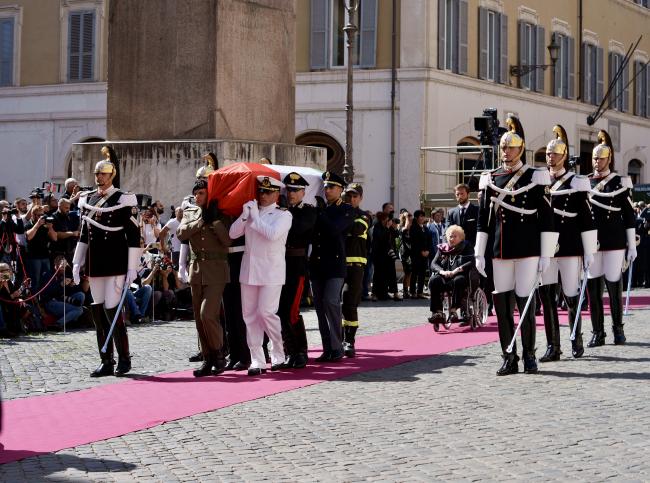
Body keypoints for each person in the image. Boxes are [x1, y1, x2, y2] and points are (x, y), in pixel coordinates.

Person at [475, 116, 557, 376]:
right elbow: (483, 221)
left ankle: (529, 355)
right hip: (501, 251)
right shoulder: (491, 178)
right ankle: (509, 356)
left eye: (510, 147)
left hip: (528, 250)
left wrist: (546, 253)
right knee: (502, 306)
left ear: (520, 149)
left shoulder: (535, 177)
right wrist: (479, 252)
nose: (505, 151)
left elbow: (547, 219)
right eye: (503, 146)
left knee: (526, 303)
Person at [72, 146, 141, 377]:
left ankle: (124, 358)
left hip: (115, 262)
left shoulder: (123, 198)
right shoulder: (88, 199)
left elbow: (133, 236)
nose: (98, 177)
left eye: (103, 174)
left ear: (112, 175)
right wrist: (75, 262)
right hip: (95, 262)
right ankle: (106, 360)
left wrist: (133, 267)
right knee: (98, 311)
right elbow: (83, 234)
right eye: (96, 174)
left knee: (113, 309)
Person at [537, 125, 597, 361]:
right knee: (547, 295)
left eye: (555, 154)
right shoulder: (539, 180)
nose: (551, 158)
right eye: (549, 154)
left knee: (571, 294)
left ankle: (576, 338)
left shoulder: (576, 182)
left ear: (564, 157)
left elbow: (586, 217)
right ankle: (553, 346)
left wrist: (589, 249)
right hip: (546, 247)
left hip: (570, 245)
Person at [229, 176, 293, 376]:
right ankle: (257, 359)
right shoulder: (251, 212)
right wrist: (244, 216)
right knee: (250, 316)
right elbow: (232, 234)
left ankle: (279, 353)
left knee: (267, 312)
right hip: (249, 271)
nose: (263, 195)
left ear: (276, 194)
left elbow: (272, 234)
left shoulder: (284, 215)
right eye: (260, 192)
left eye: (267, 192)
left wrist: (255, 217)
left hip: (271, 271)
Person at [177, 178, 232, 377]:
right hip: (197, 270)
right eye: (196, 194)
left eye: (202, 193)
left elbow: (227, 241)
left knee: (207, 314)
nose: (197, 197)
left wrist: (214, 221)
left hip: (217, 270)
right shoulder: (190, 212)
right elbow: (181, 233)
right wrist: (201, 222)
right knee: (199, 320)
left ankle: (219, 355)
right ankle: (208, 359)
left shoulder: (222, 213)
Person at [586, 130, 636, 346]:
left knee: (614, 285)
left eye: (601, 158)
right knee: (593, 288)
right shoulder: (585, 182)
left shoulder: (619, 182)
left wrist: (631, 244)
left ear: (609, 159)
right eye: (595, 158)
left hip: (614, 240)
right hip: (593, 241)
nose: (597, 162)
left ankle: (618, 329)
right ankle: (598, 331)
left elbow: (629, 216)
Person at [309, 171, 354, 362]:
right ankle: (327, 348)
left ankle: (337, 347)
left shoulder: (346, 209)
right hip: (317, 265)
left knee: (331, 302)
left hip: (335, 265)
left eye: (331, 187)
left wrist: (320, 212)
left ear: (341, 190)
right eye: (325, 186)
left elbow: (335, 230)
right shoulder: (319, 209)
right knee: (320, 308)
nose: (327, 190)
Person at [277, 172, 317, 368]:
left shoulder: (308, 211)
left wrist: (285, 212)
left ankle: (300, 351)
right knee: (278, 311)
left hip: (296, 266)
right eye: (288, 190)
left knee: (291, 310)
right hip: (278, 265)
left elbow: (296, 229)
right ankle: (289, 352)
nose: (291, 193)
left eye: (295, 190)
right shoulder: (281, 211)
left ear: (303, 192)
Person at [341, 183, 371, 357]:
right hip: (338, 265)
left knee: (350, 304)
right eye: (348, 196)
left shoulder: (364, 216)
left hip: (355, 267)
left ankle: (349, 340)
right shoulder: (343, 213)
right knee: (333, 304)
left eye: (354, 196)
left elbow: (355, 229)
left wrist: (343, 220)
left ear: (360, 198)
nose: (351, 199)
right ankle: (337, 338)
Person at [427, 225, 475, 325]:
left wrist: (456, 271)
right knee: (434, 280)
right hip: (446, 276)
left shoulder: (466, 246)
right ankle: (439, 313)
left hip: (461, 275)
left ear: (461, 237)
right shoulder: (443, 248)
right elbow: (433, 263)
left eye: (454, 236)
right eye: (450, 236)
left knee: (458, 280)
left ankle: (453, 310)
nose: (451, 238)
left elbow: (471, 261)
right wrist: (442, 271)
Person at [24, 205, 57, 291]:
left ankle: (44, 299)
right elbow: (29, 237)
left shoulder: (45, 226)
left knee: (46, 279)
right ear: (33, 215)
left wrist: (50, 228)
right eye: (39, 215)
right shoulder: (28, 225)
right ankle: (33, 301)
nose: (41, 217)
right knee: (35, 280)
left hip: (45, 256)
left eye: (42, 215)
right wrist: (37, 225)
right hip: (33, 257)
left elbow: (55, 238)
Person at [408, 210, 432, 299]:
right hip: (416, 254)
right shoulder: (413, 228)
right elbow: (414, 242)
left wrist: (428, 251)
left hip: (425, 254)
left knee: (422, 273)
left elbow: (429, 240)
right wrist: (421, 251)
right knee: (414, 273)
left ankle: (420, 292)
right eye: (420, 216)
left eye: (423, 216)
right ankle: (412, 292)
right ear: (416, 218)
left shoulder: (425, 228)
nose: (422, 218)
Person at [51, 198, 80, 264]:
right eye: (66, 208)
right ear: (60, 206)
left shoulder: (69, 217)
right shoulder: (53, 217)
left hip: (69, 251)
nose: (68, 210)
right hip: (58, 252)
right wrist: (72, 233)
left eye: (69, 208)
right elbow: (57, 234)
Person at [398, 211, 413, 298]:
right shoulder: (401, 228)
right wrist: (406, 216)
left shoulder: (411, 228)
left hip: (410, 253)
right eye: (409, 219)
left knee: (410, 273)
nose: (411, 220)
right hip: (404, 253)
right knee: (406, 272)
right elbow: (406, 228)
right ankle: (405, 291)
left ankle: (408, 290)